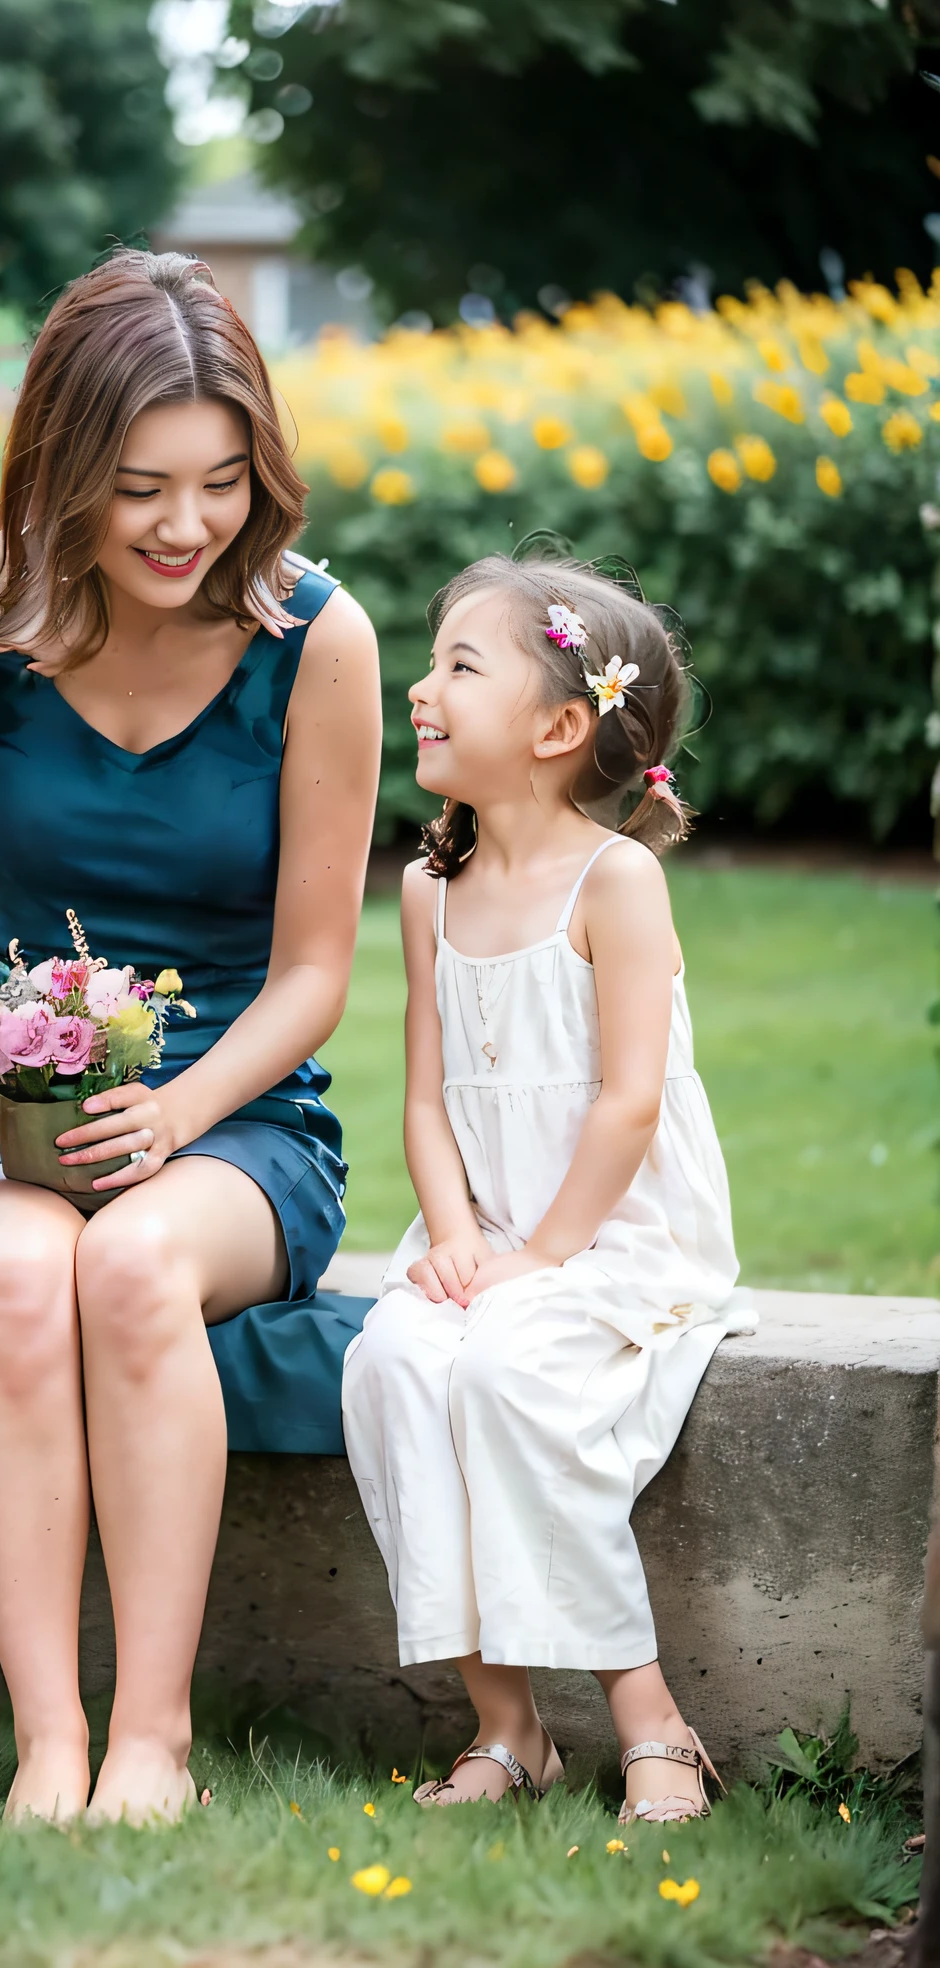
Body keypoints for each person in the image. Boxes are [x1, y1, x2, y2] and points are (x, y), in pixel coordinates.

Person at [0, 250, 380, 1824]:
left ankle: (152, 1736)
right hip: (11, 1108)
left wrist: (177, 1118)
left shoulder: (319, 641)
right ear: (61, 471)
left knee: (134, 1265)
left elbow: (312, 973)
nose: (184, 527)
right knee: (23, 1271)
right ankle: (49, 1745)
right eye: (141, 487)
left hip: (242, 1113)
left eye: (223, 483)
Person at [341, 551, 752, 1825]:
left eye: (460, 665)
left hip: (617, 1234)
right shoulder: (430, 889)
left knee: (511, 1367)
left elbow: (628, 1099)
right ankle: (510, 1726)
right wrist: (459, 1237)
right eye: (431, 657)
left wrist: (544, 1255)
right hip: (497, 1227)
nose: (419, 686)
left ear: (561, 726)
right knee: (396, 1360)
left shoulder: (614, 882)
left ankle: (653, 1723)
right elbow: (422, 1097)